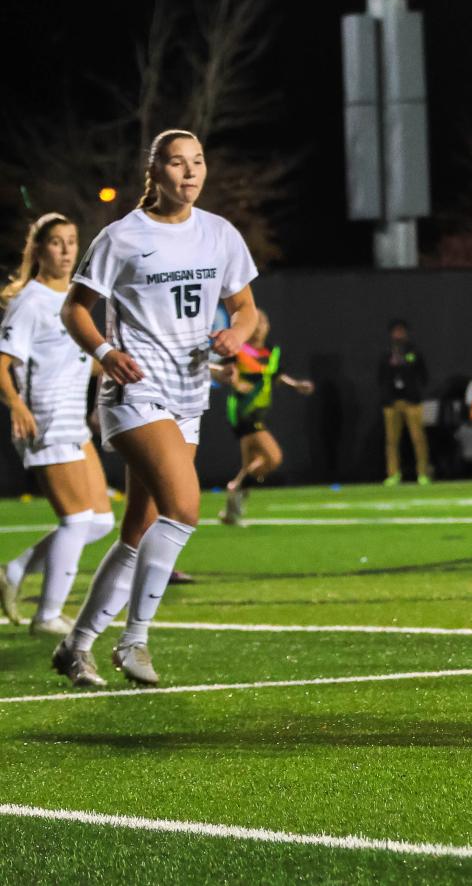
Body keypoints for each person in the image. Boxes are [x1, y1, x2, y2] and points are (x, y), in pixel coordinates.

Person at [55, 130, 261, 688]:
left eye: (197, 162)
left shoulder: (219, 234)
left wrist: (235, 338)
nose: (190, 173)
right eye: (177, 163)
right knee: (185, 508)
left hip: (189, 395)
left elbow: (245, 311)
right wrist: (104, 351)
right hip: (134, 393)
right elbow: (74, 310)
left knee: (138, 529)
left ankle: (75, 647)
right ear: (156, 171)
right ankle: (135, 641)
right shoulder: (122, 237)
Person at [0, 214, 116, 635]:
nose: (66, 251)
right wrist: (16, 404)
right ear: (39, 250)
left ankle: (13, 571)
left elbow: (76, 363)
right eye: (56, 243)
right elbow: (3, 364)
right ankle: (46, 615)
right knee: (75, 520)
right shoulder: (29, 301)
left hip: (73, 419)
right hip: (46, 418)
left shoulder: (73, 299)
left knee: (100, 522)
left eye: (72, 242)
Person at [217, 310, 314, 525]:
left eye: (264, 322)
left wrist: (296, 385)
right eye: (257, 322)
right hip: (243, 411)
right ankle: (237, 486)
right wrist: (235, 383)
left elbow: (276, 376)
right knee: (273, 457)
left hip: (259, 411)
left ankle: (232, 512)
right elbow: (226, 372)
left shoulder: (272, 351)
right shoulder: (239, 349)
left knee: (251, 462)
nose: (261, 326)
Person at [379, 319, 430, 485]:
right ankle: (393, 474)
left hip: (412, 401)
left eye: (401, 331)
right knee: (392, 441)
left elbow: (423, 375)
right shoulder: (386, 354)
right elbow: (380, 377)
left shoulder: (414, 352)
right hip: (392, 402)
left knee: (418, 439)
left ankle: (423, 473)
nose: (399, 334)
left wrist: (406, 366)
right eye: (396, 331)